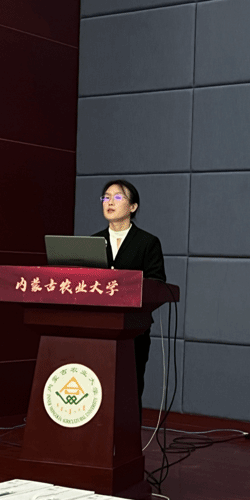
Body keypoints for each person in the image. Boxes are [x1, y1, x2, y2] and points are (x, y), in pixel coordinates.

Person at [92, 180, 166, 420]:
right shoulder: (92, 242)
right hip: (96, 327)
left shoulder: (147, 242)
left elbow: (157, 283)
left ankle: (127, 436)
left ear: (133, 206)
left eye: (117, 197)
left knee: (129, 386)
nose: (109, 202)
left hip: (133, 328)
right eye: (105, 197)